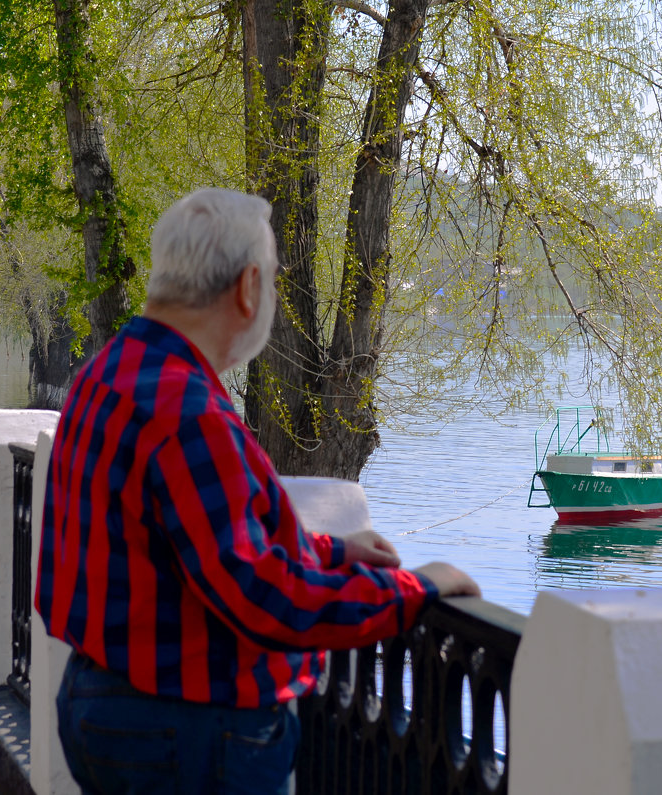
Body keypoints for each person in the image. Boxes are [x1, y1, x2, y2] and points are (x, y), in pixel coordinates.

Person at [34, 187, 480, 795]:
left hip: (100, 705)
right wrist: (416, 588)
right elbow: (266, 599)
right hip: (189, 734)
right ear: (247, 287)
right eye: (269, 279)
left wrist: (330, 551)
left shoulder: (106, 374)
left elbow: (185, 544)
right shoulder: (191, 415)